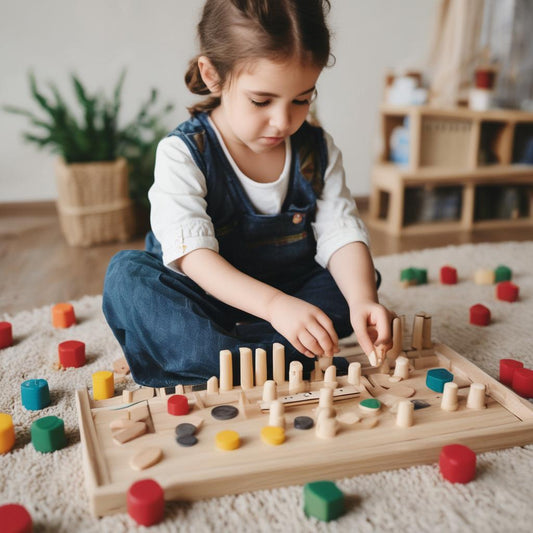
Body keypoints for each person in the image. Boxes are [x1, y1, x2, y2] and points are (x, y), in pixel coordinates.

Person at [103, 0, 394, 387]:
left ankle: (228, 358)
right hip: (205, 297)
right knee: (127, 277)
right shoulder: (183, 153)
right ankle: (262, 354)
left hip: (289, 290)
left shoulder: (318, 150)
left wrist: (361, 301)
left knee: (358, 278)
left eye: (302, 99)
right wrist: (273, 307)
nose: (282, 120)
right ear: (213, 76)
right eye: (261, 101)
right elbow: (195, 259)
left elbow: (340, 231)